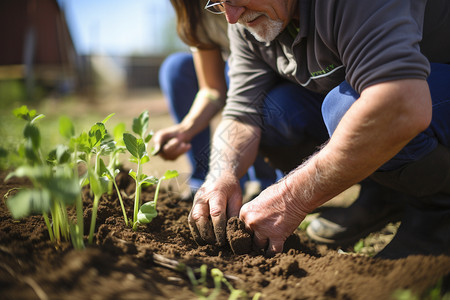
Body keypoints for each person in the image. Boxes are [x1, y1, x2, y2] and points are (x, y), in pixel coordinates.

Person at [188, 0, 450, 258]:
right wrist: (221, 174)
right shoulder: (247, 21)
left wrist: (290, 197)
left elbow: (401, 105)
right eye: (219, 3)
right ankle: (385, 197)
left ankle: (437, 218)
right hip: (409, 100)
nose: (231, 16)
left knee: (346, 108)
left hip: (423, 92)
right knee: (274, 111)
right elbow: (242, 113)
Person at [155, 0, 279, 200]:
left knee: (235, 72)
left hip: (266, 73)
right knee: (176, 69)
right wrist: (185, 129)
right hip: (235, 73)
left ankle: (264, 183)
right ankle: (205, 180)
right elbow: (212, 88)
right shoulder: (193, 12)